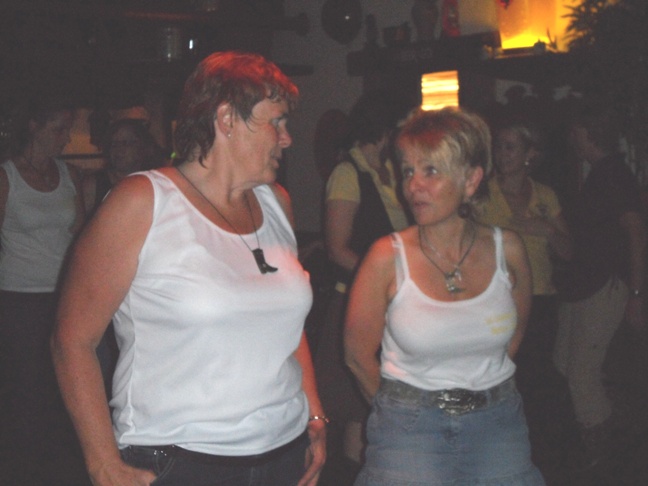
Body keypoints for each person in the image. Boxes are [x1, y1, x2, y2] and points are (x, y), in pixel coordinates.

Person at [51, 51, 326, 486]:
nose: (287, 138)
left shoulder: (277, 202)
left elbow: (287, 326)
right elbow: (72, 339)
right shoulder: (143, 202)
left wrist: (314, 412)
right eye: (276, 122)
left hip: (285, 452)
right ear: (227, 119)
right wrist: (102, 462)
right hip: (180, 460)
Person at [345, 107, 545, 485]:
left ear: (471, 180)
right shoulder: (386, 257)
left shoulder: (508, 249)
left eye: (431, 171)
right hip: (410, 427)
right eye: (408, 171)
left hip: (497, 422)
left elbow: (514, 336)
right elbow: (357, 356)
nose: (414, 185)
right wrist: (401, 414)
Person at [313, 92, 410, 475]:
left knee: (370, 413)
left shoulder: (390, 172)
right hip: (357, 303)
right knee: (356, 407)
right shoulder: (347, 173)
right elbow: (337, 249)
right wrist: (384, 278)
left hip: (393, 305)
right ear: (386, 130)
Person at [552, 105, 647, 467]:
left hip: (606, 283)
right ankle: (613, 423)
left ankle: (602, 454)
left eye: (575, 130)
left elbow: (636, 233)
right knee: (566, 363)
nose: (571, 137)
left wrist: (636, 292)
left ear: (588, 133)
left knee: (581, 372)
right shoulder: (598, 174)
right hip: (583, 281)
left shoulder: (614, 174)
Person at [0, 99, 86, 484]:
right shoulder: (7, 177)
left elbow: (80, 237)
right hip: (19, 297)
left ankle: (58, 470)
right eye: (59, 129)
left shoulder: (69, 174)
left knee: (63, 386)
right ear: (34, 127)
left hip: (64, 295)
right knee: (26, 390)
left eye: (67, 129)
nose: (66, 138)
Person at [478, 119, 572, 390]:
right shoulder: (482, 193)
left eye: (510, 147)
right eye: (499, 146)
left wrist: (548, 231)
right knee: (498, 376)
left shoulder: (544, 195)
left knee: (536, 378)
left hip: (539, 298)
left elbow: (568, 252)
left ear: (530, 153)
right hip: (495, 299)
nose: (502, 154)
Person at [84, 117, 167, 215]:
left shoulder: (154, 183)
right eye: (114, 143)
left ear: (142, 147)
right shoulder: (94, 185)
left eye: (126, 143)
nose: (119, 149)